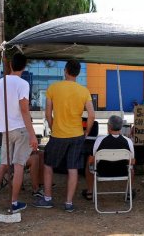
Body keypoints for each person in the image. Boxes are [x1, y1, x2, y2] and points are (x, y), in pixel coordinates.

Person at [33, 59, 95, 212]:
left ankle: (47, 198)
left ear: (65, 70)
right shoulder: (84, 91)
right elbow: (92, 115)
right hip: (77, 134)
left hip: (58, 134)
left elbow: (48, 113)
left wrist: (53, 125)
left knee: (48, 165)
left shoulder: (53, 88)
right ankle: (68, 203)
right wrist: (86, 131)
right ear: (78, 73)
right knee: (72, 168)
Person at [0, 53, 38, 213]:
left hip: (5, 129)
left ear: (11, 65)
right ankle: (14, 202)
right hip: (20, 129)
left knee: (3, 165)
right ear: (24, 66)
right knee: (19, 165)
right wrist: (32, 134)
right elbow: (24, 110)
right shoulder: (23, 84)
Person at [82, 115, 135, 201]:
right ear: (121, 127)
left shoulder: (99, 140)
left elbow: (91, 160)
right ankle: (129, 192)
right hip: (122, 172)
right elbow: (132, 162)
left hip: (102, 171)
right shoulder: (128, 141)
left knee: (88, 165)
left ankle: (90, 192)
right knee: (131, 168)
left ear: (109, 126)